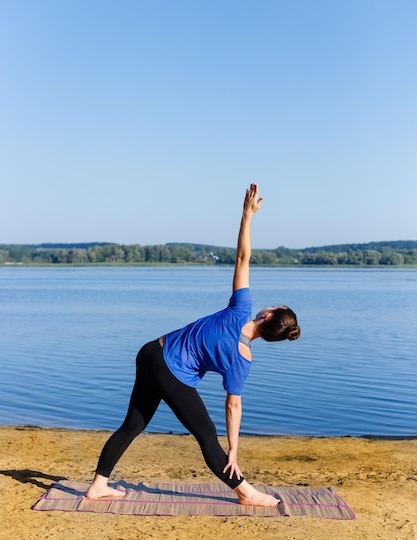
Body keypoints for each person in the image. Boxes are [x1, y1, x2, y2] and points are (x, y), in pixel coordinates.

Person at [86, 183, 300, 506]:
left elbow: (243, 256)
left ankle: (98, 485)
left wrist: (247, 215)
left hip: (150, 352)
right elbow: (234, 406)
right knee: (207, 436)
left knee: (133, 423)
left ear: (267, 313)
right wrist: (234, 450)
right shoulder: (242, 360)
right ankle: (245, 492)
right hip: (169, 370)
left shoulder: (241, 307)